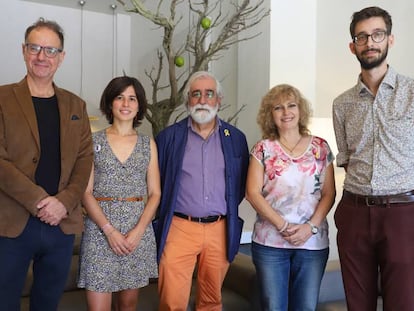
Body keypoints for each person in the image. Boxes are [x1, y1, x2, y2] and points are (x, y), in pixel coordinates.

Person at [0, 19, 93, 311]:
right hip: (12, 223)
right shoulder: (2, 98)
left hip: (61, 224)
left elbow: (84, 159)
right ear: (24, 50)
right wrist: (41, 201)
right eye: (35, 48)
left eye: (51, 50)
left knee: (47, 304)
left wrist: (63, 202)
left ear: (61, 56)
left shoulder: (76, 105)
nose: (42, 56)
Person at [332, 6, 414, 311]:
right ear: (353, 46)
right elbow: (347, 158)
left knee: (404, 303)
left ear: (390, 39)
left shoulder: (412, 92)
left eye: (377, 34)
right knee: (357, 305)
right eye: (362, 36)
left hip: (403, 213)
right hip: (354, 212)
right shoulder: (342, 104)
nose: (370, 42)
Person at [154, 71, 249, 311]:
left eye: (209, 94)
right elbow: (158, 183)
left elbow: (239, 184)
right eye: (196, 94)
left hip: (220, 227)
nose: (203, 100)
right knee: (171, 301)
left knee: (211, 300)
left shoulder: (236, 138)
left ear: (219, 100)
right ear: (188, 100)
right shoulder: (168, 138)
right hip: (179, 227)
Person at [245, 84, 336, 311]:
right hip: (270, 243)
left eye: (291, 105)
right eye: (278, 107)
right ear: (270, 114)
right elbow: (252, 193)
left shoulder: (321, 148)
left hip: (312, 242)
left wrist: (310, 227)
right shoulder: (262, 149)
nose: (286, 112)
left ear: (301, 110)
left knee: (305, 307)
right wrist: (283, 225)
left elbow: (329, 193)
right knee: (274, 307)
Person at [77, 76, 160, 311]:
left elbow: (155, 193)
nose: (126, 103)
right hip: (100, 232)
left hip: (137, 233)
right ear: (110, 103)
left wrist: (138, 232)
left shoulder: (148, 144)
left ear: (139, 105)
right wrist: (109, 231)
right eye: (120, 97)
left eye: (132, 98)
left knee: (128, 305)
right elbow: (86, 192)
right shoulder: (93, 141)